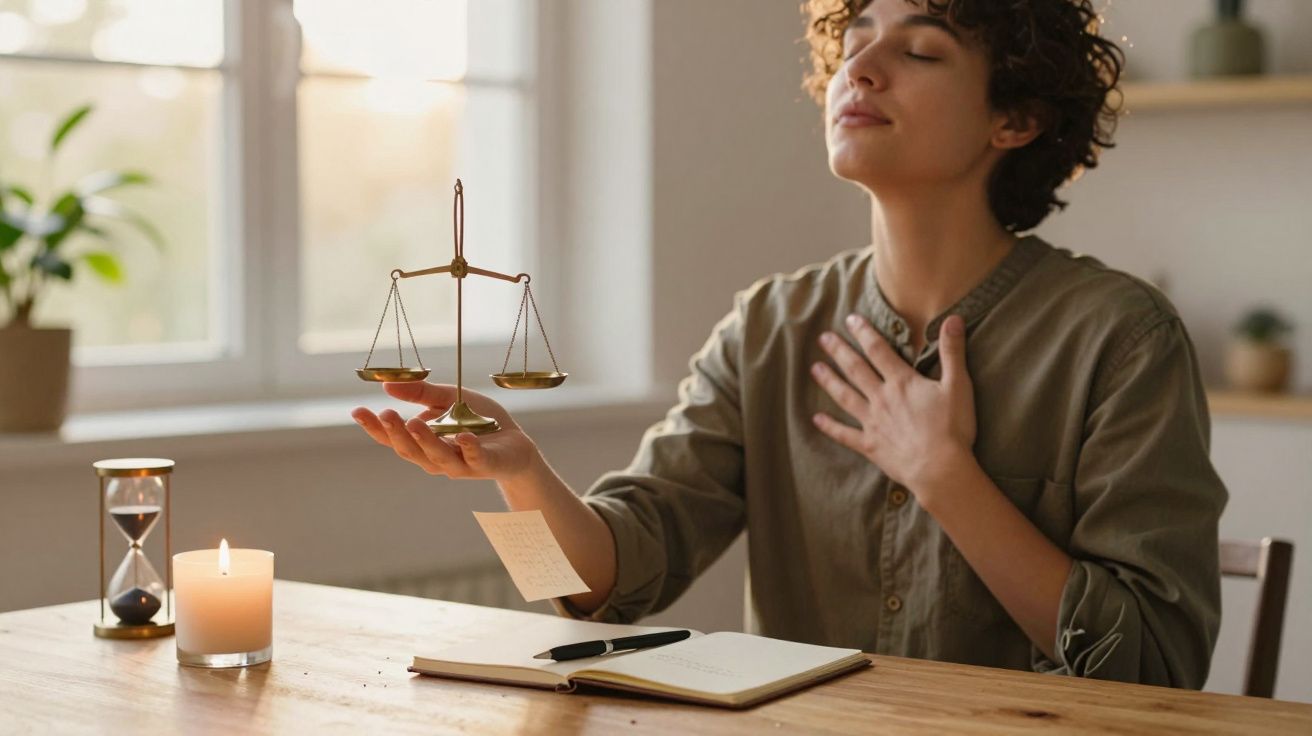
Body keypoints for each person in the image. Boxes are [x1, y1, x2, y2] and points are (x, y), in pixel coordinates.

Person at [353, 0, 1227, 688]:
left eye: (919, 52)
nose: (863, 66)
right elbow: (589, 597)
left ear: (1017, 118)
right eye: (854, 39)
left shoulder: (1121, 338)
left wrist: (946, 477)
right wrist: (518, 475)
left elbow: (1155, 668)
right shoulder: (767, 328)